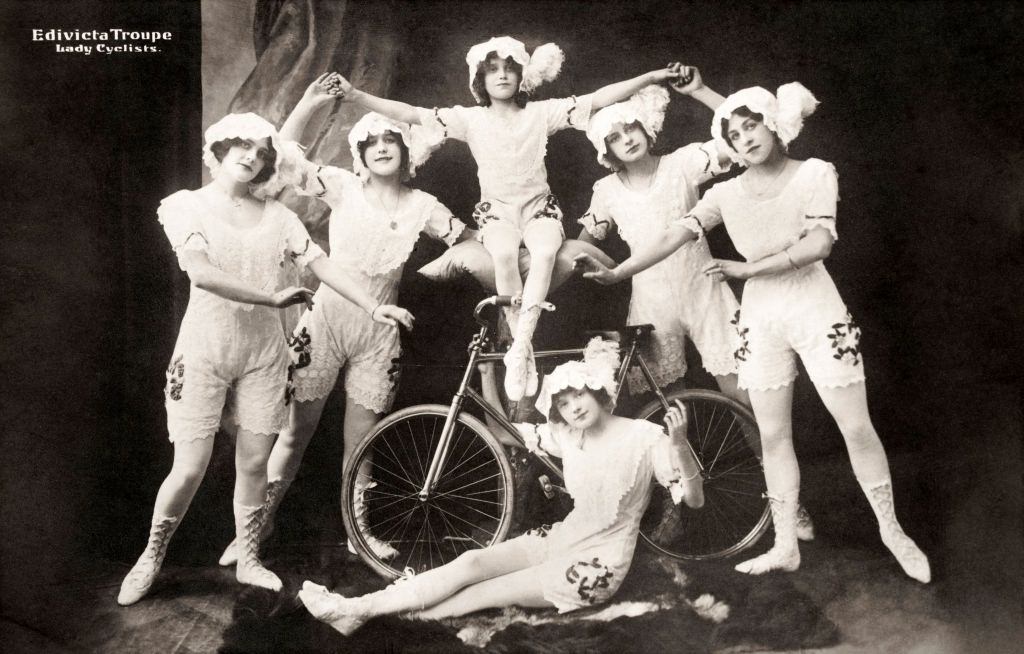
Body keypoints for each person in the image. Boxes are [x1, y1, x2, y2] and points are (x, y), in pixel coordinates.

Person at [574, 84, 929, 582]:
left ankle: (890, 531)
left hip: (797, 304)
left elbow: (820, 243)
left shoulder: (812, 172)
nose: (744, 139)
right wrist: (612, 273)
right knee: (733, 427)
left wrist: (746, 270)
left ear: (773, 124)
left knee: (843, 424)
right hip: (726, 312)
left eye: (751, 127)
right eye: (734, 135)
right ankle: (780, 541)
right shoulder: (720, 192)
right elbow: (675, 234)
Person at [117, 113, 413, 606]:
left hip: (263, 356)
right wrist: (271, 298)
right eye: (242, 147)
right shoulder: (185, 206)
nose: (251, 157)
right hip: (205, 349)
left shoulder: (279, 216)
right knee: (189, 467)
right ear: (218, 150)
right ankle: (150, 557)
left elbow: (321, 265)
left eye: (260, 151)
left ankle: (251, 560)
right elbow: (201, 274)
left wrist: (371, 304)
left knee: (254, 464)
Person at [326, 36, 690, 401]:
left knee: (547, 250)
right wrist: (356, 95)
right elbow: (409, 113)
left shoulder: (541, 113)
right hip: (498, 214)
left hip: (538, 211)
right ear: (479, 81)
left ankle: (521, 343)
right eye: (492, 71)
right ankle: (520, 352)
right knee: (501, 253)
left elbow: (598, 98)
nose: (501, 76)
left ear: (521, 77)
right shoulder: (469, 119)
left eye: (509, 69)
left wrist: (649, 77)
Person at [217, 75, 473, 566]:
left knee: (362, 443)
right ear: (359, 152)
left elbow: (471, 243)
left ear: (405, 151)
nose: (381, 147)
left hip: (381, 334)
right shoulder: (341, 186)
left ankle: (358, 534)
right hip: (324, 323)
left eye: (390, 140)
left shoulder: (425, 206)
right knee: (294, 434)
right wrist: (311, 101)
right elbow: (283, 154)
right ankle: (255, 529)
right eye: (371, 141)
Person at [297, 338, 706, 635]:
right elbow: (502, 431)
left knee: (484, 592)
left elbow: (694, 500)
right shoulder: (568, 436)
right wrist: (486, 376)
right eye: (562, 404)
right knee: (472, 563)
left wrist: (680, 445)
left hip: (596, 565)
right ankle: (356, 608)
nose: (573, 408)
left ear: (597, 392)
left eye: (579, 395)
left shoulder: (645, 436)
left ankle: (374, 618)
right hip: (561, 539)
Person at [576, 71, 815, 543]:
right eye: (616, 136)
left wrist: (701, 92)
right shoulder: (605, 193)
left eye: (633, 129)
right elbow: (580, 244)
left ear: (648, 129)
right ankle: (675, 507)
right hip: (651, 303)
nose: (627, 140)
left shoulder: (685, 162)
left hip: (705, 288)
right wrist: (545, 265)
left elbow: (744, 130)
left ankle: (789, 503)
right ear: (604, 149)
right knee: (664, 416)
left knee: (746, 399)